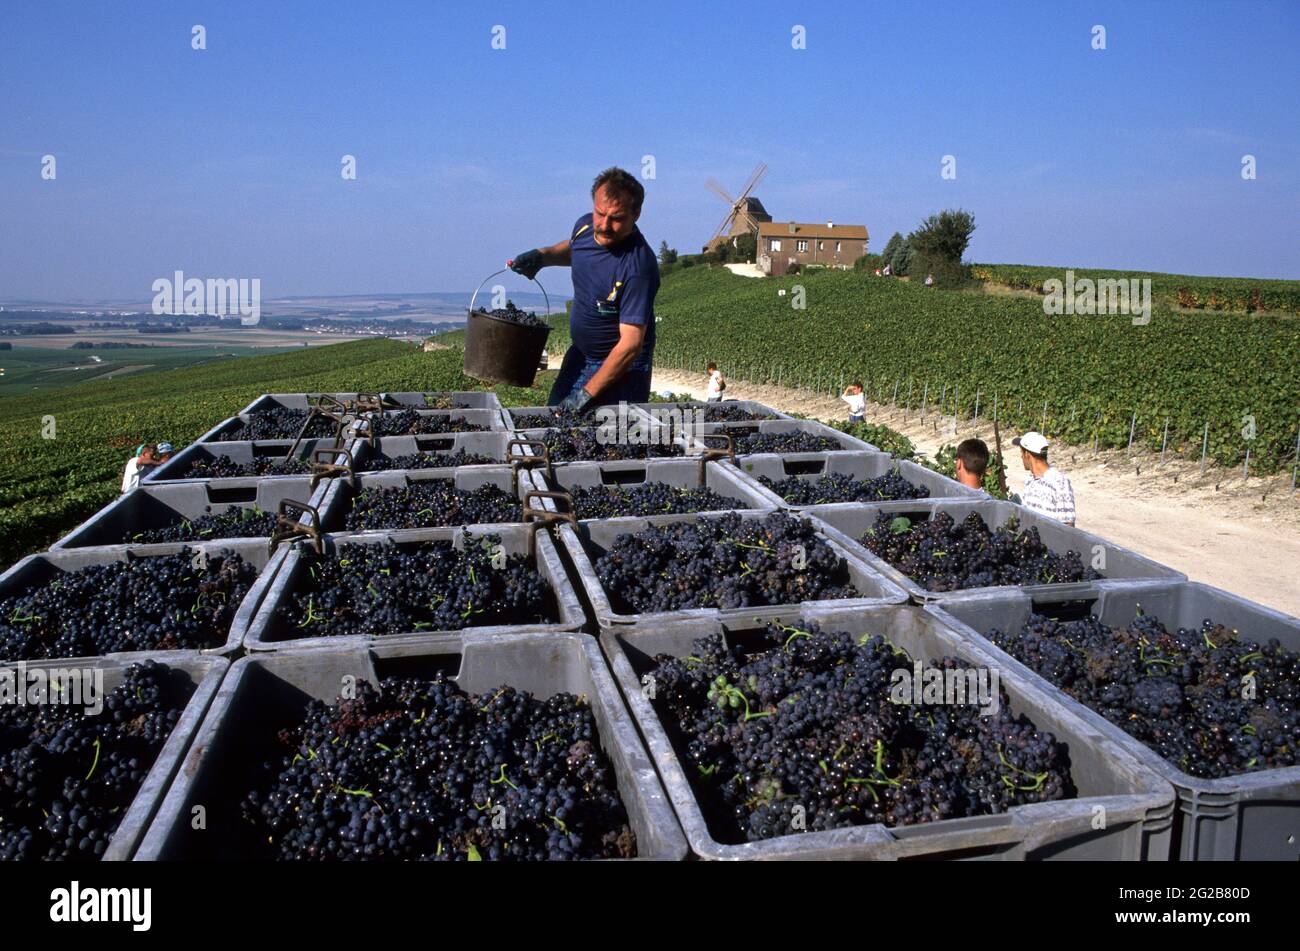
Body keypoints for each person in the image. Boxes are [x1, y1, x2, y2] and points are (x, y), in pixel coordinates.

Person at [508, 167, 658, 414]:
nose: (604, 225)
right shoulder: (585, 227)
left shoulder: (637, 267)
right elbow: (576, 249)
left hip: (622, 369)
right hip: (580, 355)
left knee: (608, 440)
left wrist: (586, 394)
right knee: (553, 420)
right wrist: (542, 257)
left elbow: (630, 345)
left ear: (636, 214)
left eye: (617, 218)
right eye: (600, 214)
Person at [1013, 431, 1076, 526]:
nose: (1021, 456)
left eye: (1021, 452)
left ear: (1027, 454)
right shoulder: (1030, 481)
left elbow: (1068, 526)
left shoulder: (1059, 482)